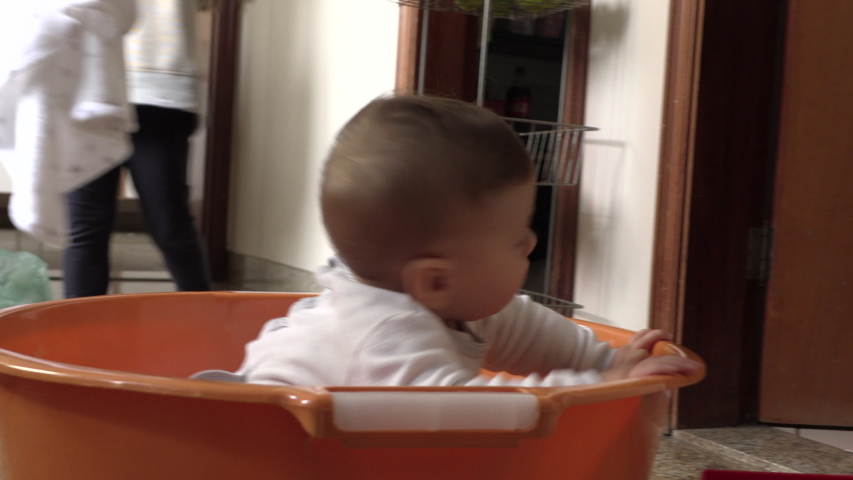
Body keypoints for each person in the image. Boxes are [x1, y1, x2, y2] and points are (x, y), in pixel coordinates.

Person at [216, 96, 699, 387]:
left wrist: (606, 361)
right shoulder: (386, 339)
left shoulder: (447, 300)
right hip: (255, 451)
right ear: (435, 280)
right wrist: (596, 386)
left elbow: (521, 327)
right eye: (515, 238)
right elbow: (472, 413)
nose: (531, 242)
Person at [63, 0, 211, 297]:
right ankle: (77, 334)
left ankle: (209, 323)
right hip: (88, 90)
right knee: (85, 229)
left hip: (160, 92)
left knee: (170, 226)